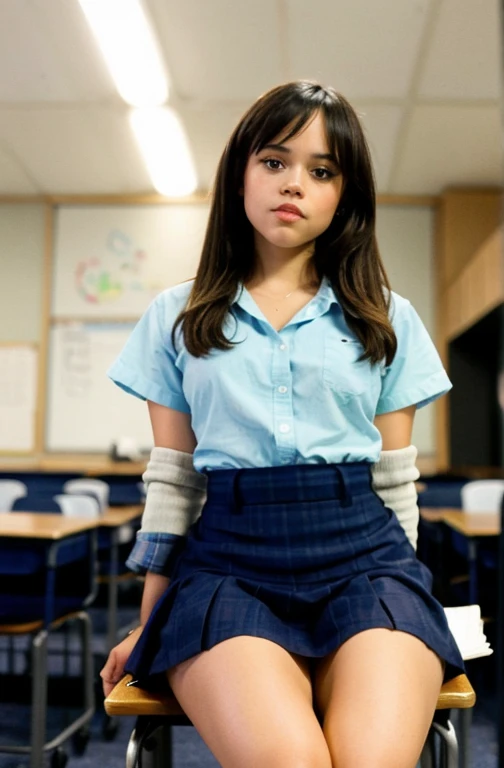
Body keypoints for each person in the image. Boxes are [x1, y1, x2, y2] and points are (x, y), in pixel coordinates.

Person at [101, 81, 464, 768]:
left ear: (343, 195)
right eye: (274, 161)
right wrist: (149, 624)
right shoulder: (178, 317)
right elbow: (175, 482)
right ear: (240, 173)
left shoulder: (388, 318)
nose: (294, 183)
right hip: (229, 565)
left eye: (322, 170)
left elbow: (395, 480)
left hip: (368, 559)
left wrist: (406, 592)